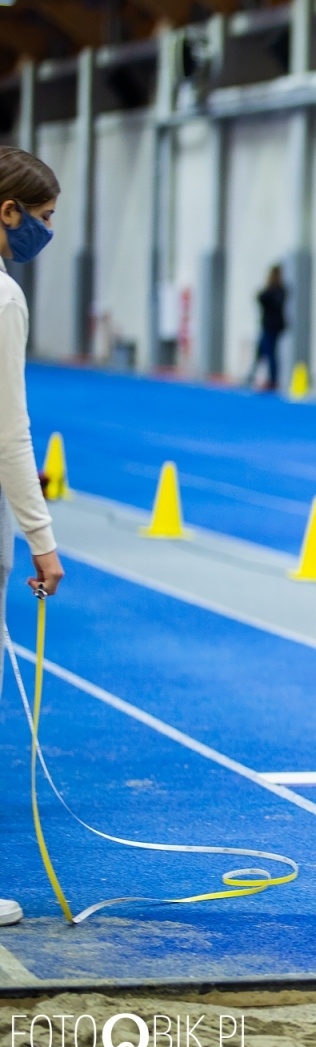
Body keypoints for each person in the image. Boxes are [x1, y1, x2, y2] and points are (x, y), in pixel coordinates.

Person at [0, 146, 69, 928]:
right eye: (43, 218)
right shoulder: (3, 296)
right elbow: (11, 433)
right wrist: (41, 541)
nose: (45, 234)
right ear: (8, 210)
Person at [252, 264, 287, 391]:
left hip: (272, 327)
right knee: (261, 351)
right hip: (268, 325)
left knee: (270, 353)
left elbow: (265, 300)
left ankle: (272, 380)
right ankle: (258, 376)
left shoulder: (278, 291)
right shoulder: (275, 290)